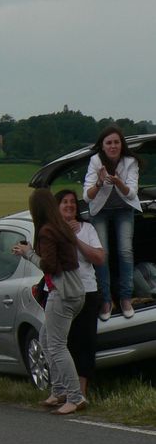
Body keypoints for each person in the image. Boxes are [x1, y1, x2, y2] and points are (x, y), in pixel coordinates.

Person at [13, 189, 86, 415]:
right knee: (45, 338)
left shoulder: (46, 231)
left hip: (61, 294)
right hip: (76, 291)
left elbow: (50, 266)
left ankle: (75, 397)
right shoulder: (62, 227)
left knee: (56, 345)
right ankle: (59, 390)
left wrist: (28, 253)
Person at [83, 125, 141, 320]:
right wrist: (99, 183)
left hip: (124, 209)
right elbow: (86, 197)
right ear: (103, 146)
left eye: (116, 142)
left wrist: (118, 182)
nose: (113, 146)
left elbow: (131, 193)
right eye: (109, 143)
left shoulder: (130, 162)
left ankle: (126, 298)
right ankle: (106, 300)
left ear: (121, 144)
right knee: (103, 254)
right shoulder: (95, 161)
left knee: (125, 251)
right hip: (100, 211)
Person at [57, 189, 105, 400]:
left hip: (87, 291)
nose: (69, 206)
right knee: (64, 342)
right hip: (61, 293)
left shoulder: (87, 229)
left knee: (85, 342)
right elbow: (48, 259)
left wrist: (76, 239)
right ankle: (65, 390)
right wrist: (65, 234)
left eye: (72, 203)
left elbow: (99, 258)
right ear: (56, 207)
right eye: (64, 202)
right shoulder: (51, 230)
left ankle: (82, 392)